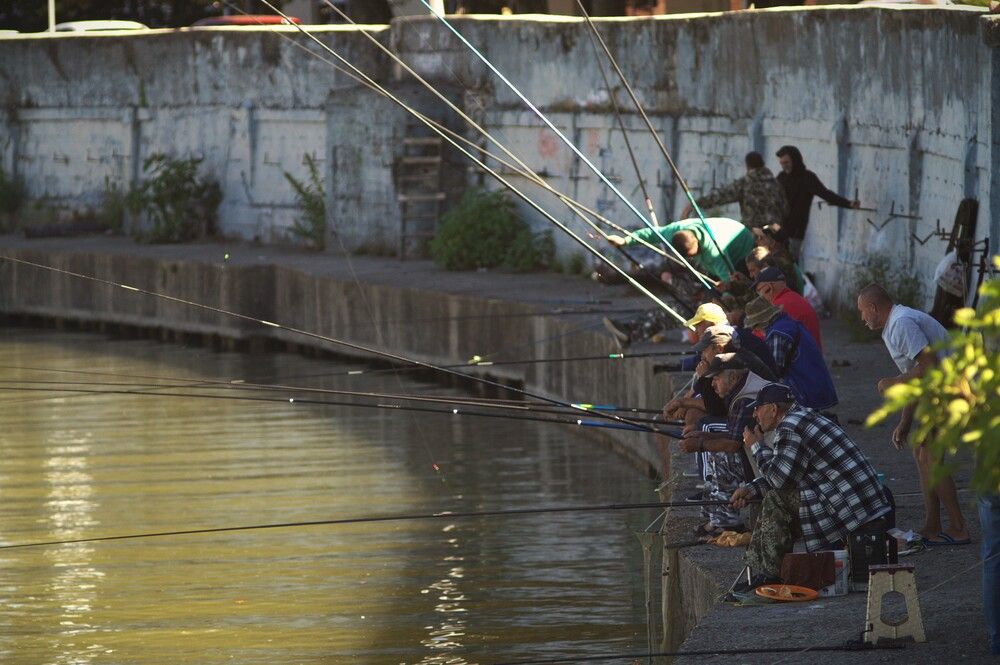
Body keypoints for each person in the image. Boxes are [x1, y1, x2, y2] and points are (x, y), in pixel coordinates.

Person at [729, 383, 891, 591]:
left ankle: (770, 575)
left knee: (775, 500)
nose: (754, 414)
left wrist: (756, 446)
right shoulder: (802, 418)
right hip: (854, 499)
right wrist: (750, 489)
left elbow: (779, 481)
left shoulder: (790, 427)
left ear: (772, 409)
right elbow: (788, 474)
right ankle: (765, 573)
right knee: (776, 497)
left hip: (850, 504)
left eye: (757, 408)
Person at [856, 283, 969, 545]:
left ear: (874, 308)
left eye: (863, 312)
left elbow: (929, 365)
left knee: (930, 455)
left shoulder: (901, 323)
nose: (862, 318)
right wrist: (905, 422)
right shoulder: (894, 325)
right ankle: (932, 526)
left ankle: (959, 528)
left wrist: (892, 382)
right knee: (921, 451)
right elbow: (916, 377)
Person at [679, 353, 770, 535]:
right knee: (714, 442)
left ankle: (726, 522)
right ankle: (713, 515)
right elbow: (735, 434)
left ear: (734, 377)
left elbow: (733, 445)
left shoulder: (746, 399)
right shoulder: (742, 390)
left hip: (768, 463)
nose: (712, 385)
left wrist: (700, 445)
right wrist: (703, 435)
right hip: (764, 454)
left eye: (717, 379)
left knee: (722, 454)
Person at [743, 296, 837, 412]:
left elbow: (773, 372)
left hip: (805, 390)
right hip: (816, 384)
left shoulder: (777, 334)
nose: (754, 330)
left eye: (755, 326)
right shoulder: (787, 323)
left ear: (762, 321)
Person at [608, 217, 753, 283]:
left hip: (742, 246)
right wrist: (625, 240)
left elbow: (728, 280)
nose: (691, 258)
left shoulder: (715, 251)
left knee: (736, 285)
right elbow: (651, 234)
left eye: (693, 255)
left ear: (697, 242)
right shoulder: (673, 231)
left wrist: (726, 290)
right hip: (716, 253)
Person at [775, 145, 861, 256]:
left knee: (790, 266)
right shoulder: (781, 177)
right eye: (782, 163)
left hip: (795, 232)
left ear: (795, 160)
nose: (784, 166)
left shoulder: (807, 178)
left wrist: (848, 203)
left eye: (786, 162)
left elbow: (826, 194)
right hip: (778, 231)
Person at [679, 152, 788, 230]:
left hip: (753, 233)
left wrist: (696, 203)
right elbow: (785, 209)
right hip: (775, 233)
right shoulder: (776, 184)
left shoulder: (746, 183)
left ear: (748, 165)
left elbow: (721, 196)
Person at [752, 266, 822, 352]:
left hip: (801, 361)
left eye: (759, 290)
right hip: (812, 358)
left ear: (768, 288)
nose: (759, 296)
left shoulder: (778, 307)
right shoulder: (794, 298)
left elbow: (758, 338)